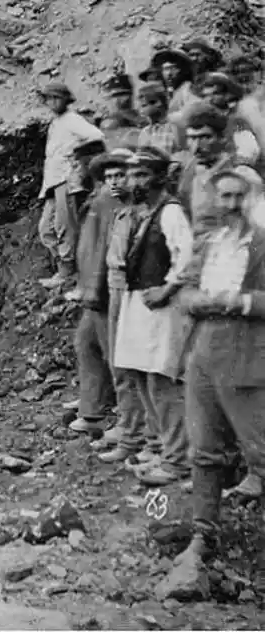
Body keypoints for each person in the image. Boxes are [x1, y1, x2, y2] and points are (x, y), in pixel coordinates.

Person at [176, 169, 265, 568]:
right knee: (204, 450)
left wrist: (238, 302)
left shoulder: (262, 244)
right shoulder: (210, 243)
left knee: (260, 449)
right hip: (204, 352)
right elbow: (187, 290)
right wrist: (195, 300)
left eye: (238, 197)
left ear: (252, 199)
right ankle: (203, 536)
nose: (230, 205)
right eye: (224, 196)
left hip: (248, 352)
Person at [105, 147, 194, 485]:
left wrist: (167, 290)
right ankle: (160, 448)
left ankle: (177, 460)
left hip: (162, 308)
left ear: (159, 176)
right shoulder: (143, 212)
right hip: (138, 303)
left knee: (161, 380)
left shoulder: (171, 212)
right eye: (132, 174)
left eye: (142, 174)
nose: (135, 181)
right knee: (141, 375)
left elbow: (185, 259)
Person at [69, 150, 131, 435]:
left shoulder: (128, 207)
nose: (114, 181)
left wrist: (93, 290)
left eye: (120, 175)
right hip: (93, 292)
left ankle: (127, 422)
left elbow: (106, 253)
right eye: (109, 177)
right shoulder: (102, 202)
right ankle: (91, 408)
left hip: (108, 293)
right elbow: (89, 248)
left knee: (115, 355)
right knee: (86, 344)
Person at [37, 81, 104, 289]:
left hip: (67, 179)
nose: (53, 102)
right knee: (45, 229)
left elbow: (97, 136)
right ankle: (66, 266)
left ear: (66, 100)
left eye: (57, 98)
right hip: (53, 181)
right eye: (49, 98)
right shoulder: (55, 123)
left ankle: (67, 272)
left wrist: (76, 156)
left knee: (64, 226)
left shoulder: (73, 119)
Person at [177, 103, 237, 238]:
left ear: (222, 138)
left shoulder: (238, 171)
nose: (196, 147)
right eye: (192, 138)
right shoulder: (188, 172)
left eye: (205, 137)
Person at [198, 71, 260, 165]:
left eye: (215, 94)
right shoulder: (201, 123)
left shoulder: (237, 122)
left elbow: (249, 155)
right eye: (205, 96)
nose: (209, 99)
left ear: (227, 95)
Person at [136, 82, 183, 156]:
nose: (140, 110)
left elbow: (182, 154)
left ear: (158, 103)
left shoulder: (174, 127)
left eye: (144, 105)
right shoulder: (145, 132)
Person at [150, 48, 196, 114]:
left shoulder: (188, 89)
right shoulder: (168, 92)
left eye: (173, 68)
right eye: (166, 69)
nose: (169, 73)